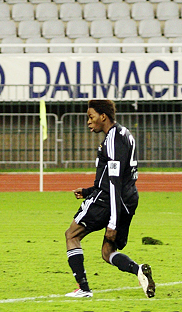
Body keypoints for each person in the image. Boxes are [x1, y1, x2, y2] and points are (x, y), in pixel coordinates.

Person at [64, 99, 155, 298]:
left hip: (109, 199)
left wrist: (112, 221)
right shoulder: (124, 134)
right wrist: (88, 191)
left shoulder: (113, 139)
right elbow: (115, 176)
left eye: (91, 116)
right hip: (128, 199)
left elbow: (114, 182)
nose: (88, 121)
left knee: (72, 235)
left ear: (102, 116)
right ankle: (138, 270)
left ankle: (84, 289)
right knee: (108, 252)